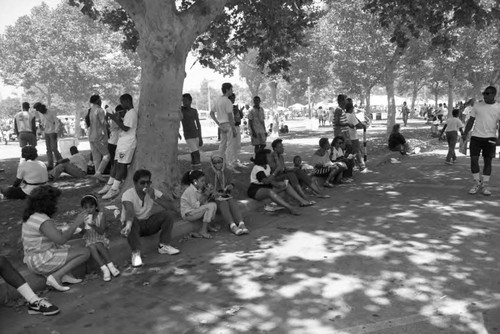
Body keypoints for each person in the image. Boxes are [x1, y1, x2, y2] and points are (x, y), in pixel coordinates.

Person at [22, 185, 90, 292]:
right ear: (48, 203)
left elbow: (51, 234)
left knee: (80, 243)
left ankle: (65, 276)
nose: (56, 204)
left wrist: (67, 228)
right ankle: (56, 276)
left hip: (36, 256)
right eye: (54, 201)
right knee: (84, 252)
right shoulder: (43, 219)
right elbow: (61, 240)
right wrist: (75, 224)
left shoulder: (33, 215)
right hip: (41, 260)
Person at [120, 169, 179, 267]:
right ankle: (136, 253)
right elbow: (130, 213)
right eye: (142, 183)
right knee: (133, 220)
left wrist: (154, 197)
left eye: (148, 182)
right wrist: (128, 226)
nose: (146, 186)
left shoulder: (153, 192)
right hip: (132, 226)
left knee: (167, 215)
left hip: (147, 223)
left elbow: (171, 207)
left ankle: (164, 245)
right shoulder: (128, 194)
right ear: (135, 183)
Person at [248, 149, 312, 216]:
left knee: (285, 184)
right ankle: (291, 208)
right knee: (269, 191)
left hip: (266, 187)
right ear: (264, 158)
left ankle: (302, 201)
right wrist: (275, 173)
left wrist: (276, 184)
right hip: (256, 190)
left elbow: (275, 174)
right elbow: (266, 181)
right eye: (269, 156)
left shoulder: (267, 166)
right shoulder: (257, 168)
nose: (271, 157)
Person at [462, 86, 500, 196]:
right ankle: (476, 183)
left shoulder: (498, 107)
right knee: (474, 160)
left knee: (488, 162)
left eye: (487, 93)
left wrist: (499, 138)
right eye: (484, 93)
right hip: (476, 137)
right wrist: (465, 133)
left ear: (494, 94)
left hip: (491, 138)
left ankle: (485, 185)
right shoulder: (477, 105)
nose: (485, 95)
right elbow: (471, 120)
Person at [101, 94, 138, 199]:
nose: (121, 104)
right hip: (122, 142)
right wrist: (118, 119)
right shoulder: (128, 113)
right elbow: (125, 125)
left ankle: (115, 188)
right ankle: (109, 184)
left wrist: (114, 118)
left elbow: (126, 128)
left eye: (122, 102)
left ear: (127, 101)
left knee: (121, 165)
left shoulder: (132, 113)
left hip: (127, 143)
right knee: (116, 164)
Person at [207, 153, 249, 236]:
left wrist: (231, 186)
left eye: (219, 162)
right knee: (223, 203)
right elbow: (208, 187)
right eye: (215, 162)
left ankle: (241, 223)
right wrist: (214, 192)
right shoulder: (209, 172)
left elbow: (232, 181)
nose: (217, 164)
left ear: (223, 162)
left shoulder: (227, 171)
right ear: (212, 163)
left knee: (231, 201)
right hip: (214, 197)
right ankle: (232, 225)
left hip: (225, 195)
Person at [80, 194, 120, 281]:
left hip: (100, 237)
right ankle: (104, 268)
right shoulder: (83, 218)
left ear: (96, 206)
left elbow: (101, 231)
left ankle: (110, 265)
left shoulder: (101, 216)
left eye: (91, 207)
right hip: (88, 239)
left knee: (98, 244)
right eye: (86, 207)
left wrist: (93, 225)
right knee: (91, 246)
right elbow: (82, 233)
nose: (89, 210)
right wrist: (83, 226)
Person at [180, 170, 218, 239]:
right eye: (202, 181)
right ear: (195, 181)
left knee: (213, 204)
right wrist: (205, 195)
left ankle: (208, 226)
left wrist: (210, 194)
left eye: (204, 181)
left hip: (194, 211)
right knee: (209, 207)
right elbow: (195, 206)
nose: (204, 183)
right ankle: (203, 231)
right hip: (188, 214)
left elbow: (203, 203)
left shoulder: (198, 189)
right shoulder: (190, 190)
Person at [210, 83, 238, 172]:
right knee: (230, 145)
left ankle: (219, 164)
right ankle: (229, 165)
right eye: (231, 89)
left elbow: (211, 113)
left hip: (221, 125)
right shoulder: (228, 101)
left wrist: (218, 123)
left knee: (222, 146)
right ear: (227, 90)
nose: (232, 91)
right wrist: (233, 129)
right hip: (228, 125)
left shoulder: (218, 100)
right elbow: (230, 116)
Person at [87, 95, 110, 182]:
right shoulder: (100, 110)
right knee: (107, 155)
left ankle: (98, 178)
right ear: (98, 101)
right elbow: (104, 123)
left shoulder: (91, 110)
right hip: (99, 136)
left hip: (91, 136)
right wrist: (108, 116)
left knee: (96, 158)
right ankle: (98, 173)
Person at [33, 102, 62, 170]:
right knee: (48, 149)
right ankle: (50, 164)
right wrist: (42, 127)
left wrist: (55, 130)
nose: (38, 111)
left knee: (54, 148)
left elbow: (57, 121)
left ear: (41, 107)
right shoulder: (40, 113)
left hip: (52, 132)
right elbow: (43, 122)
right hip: (46, 132)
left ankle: (60, 161)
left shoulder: (50, 112)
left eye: (39, 109)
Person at [179, 93, 203, 170]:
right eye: (183, 101)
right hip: (188, 136)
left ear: (190, 101)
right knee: (196, 153)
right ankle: (199, 170)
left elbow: (198, 124)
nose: (184, 102)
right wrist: (177, 132)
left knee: (193, 154)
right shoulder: (181, 110)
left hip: (195, 135)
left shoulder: (194, 111)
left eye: (185, 100)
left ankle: (193, 170)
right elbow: (177, 121)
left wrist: (200, 137)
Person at [345, 100, 366, 171]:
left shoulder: (344, 115)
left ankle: (353, 165)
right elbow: (358, 125)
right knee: (356, 151)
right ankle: (361, 165)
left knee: (350, 151)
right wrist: (363, 126)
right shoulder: (351, 116)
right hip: (353, 136)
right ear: (351, 109)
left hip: (347, 136)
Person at [227, 93, 244, 168]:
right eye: (231, 98)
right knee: (231, 145)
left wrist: (239, 111)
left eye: (234, 98)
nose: (233, 100)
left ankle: (235, 160)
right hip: (231, 127)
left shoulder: (234, 107)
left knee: (237, 145)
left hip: (237, 126)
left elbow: (241, 117)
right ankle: (229, 162)